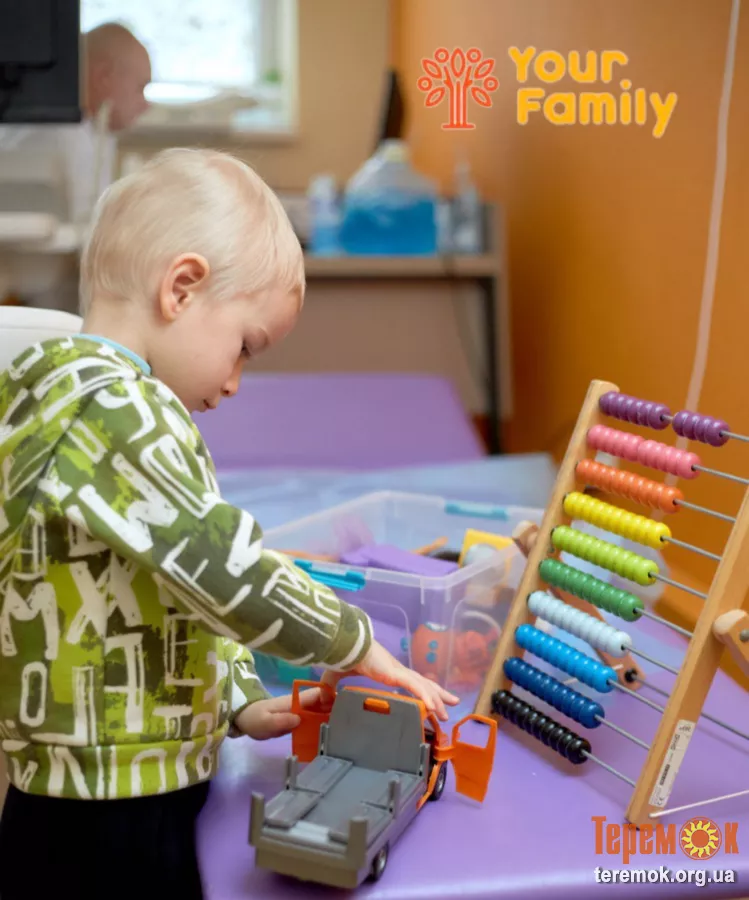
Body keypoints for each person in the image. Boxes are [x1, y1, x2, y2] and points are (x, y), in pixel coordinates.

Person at [0, 147, 459, 899]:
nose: (238, 381)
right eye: (244, 346)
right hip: (112, 803)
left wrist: (236, 698)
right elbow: (223, 566)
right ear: (181, 288)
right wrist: (354, 642)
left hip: (97, 782)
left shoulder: (69, 396)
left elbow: (169, 585)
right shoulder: (114, 411)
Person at [0, 22, 151, 224]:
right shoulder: (57, 135)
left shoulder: (95, 135)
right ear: (103, 77)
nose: (146, 105)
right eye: (140, 88)